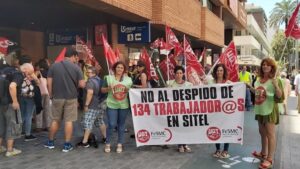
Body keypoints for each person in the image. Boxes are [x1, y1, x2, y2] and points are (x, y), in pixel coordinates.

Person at [44, 48, 85, 152]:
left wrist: (51, 95)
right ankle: (67, 145)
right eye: (76, 57)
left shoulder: (54, 66)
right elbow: (81, 84)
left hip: (57, 97)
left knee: (55, 120)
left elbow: (49, 82)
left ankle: (50, 142)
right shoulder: (77, 68)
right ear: (73, 56)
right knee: (68, 121)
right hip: (71, 98)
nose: (77, 59)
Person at [247, 58, 283, 169]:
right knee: (262, 132)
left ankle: (270, 159)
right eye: (263, 65)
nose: (265, 66)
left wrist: (276, 85)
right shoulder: (258, 80)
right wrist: (249, 87)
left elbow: (280, 96)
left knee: (270, 134)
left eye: (267, 65)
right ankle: (263, 153)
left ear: (272, 67)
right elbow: (258, 92)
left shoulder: (275, 80)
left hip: (270, 109)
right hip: (260, 109)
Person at [101, 61, 132, 153]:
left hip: (124, 105)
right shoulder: (108, 78)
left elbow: (132, 91)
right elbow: (102, 90)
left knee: (121, 125)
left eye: (121, 68)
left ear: (124, 70)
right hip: (111, 104)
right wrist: (108, 88)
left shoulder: (129, 80)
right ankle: (108, 142)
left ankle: (120, 144)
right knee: (111, 124)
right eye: (118, 67)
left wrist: (128, 90)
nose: (119, 69)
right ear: (114, 68)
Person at [77, 66, 106, 147]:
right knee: (100, 121)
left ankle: (85, 142)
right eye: (87, 72)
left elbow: (90, 93)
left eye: (88, 72)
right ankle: (105, 138)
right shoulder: (100, 80)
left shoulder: (90, 82)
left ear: (93, 73)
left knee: (88, 122)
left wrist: (86, 105)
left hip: (92, 105)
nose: (87, 73)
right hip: (100, 104)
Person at [167, 66, 192, 153]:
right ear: (174, 74)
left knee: (185, 127)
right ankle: (179, 145)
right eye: (177, 73)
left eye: (181, 73)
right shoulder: (169, 84)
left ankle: (185, 144)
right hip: (174, 109)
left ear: (183, 74)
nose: (179, 75)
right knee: (177, 127)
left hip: (186, 109)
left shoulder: (189, 85)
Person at [210, 64, 231, 158]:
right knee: (215, 130)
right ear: (215, 72)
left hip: (226, 112)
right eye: (218, 70)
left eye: (221, 70)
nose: (219, 72)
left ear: (224, 72)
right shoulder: (211, 82)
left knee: (227, 130)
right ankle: (218, 149)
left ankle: (225, 150)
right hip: (214, 112)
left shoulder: (229, 83)